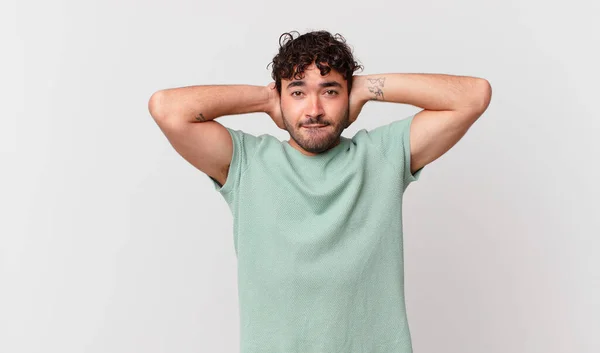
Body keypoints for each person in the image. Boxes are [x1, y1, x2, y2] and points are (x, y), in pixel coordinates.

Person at [148, 30, 491, 353]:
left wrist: (367, 88)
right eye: (298, 92)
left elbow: (473, 96)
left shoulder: (381, 155)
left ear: (348, 98)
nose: (313, 110)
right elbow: (167, 109)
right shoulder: (245, 163)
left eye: (330, 91)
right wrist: (267, 100)